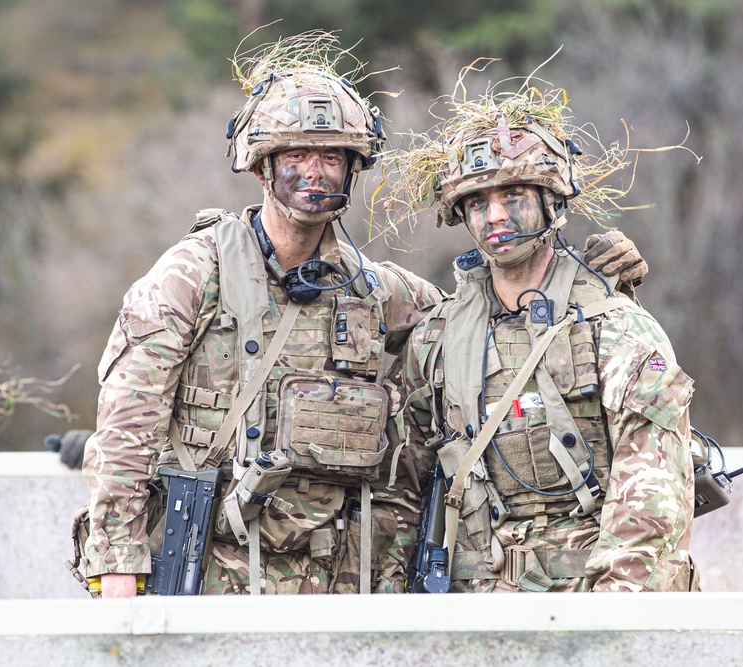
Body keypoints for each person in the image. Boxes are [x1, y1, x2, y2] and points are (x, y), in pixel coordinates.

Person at [81, 32, 648, 598]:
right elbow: (128, 422)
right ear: (261, 170)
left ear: (352, 170)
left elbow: (492, 320)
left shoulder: (377, 292)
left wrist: (592, 280)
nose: (315, 172)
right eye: (296, 156)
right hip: (208, 567)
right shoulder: (194, 275)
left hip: (330, 578)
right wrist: (117, 562)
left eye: (331, 157)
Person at [387, 81, 699, 592]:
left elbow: (652, 500)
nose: (494, 216)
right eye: (477, 201)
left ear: (552, 201)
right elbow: (403, 489)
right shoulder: (438, 339)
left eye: (513, 195)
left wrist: (609, 627)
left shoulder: (614, 325)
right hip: (470, 609)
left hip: (584, 603)